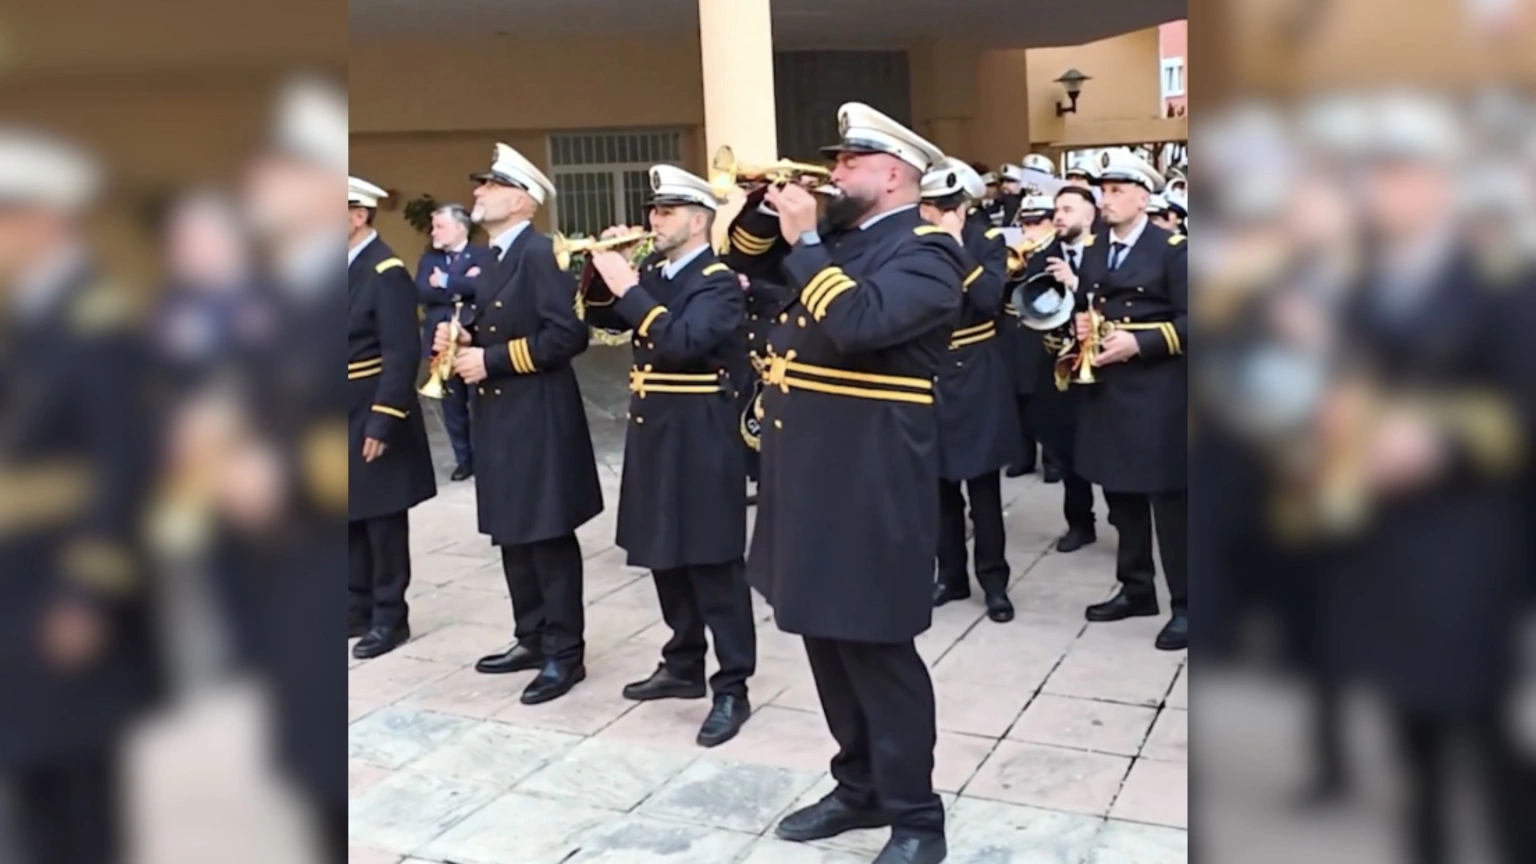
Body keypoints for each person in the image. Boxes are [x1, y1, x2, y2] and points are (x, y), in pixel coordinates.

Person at [750, 101, 963, 864]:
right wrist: (767, 209)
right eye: (834, 162)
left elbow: (858, 325)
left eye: (849, 162)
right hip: (808, 475)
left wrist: (807, 239)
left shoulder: (928, 252)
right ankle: (859, 786)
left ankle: (917, 818)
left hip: (870, 481)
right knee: (825, 638)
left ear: (895, 175)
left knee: (877, 648)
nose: (834, 173)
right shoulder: (837, 241)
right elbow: (748, 261)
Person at [0, 129, 160, 864]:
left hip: (67, 591)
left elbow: (127, 468)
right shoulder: (27, 314)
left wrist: (85, 593)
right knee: (33, 781)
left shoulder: (99, 321)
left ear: (42, 220)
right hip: (21, 584)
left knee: (80, 799)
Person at [585, 166, 757, 748]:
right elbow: (601, 316)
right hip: (654, 428)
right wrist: (604, 269)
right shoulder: (656, 273)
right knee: (664, 551)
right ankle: (683, 662)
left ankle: (732, 685)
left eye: (666, 212)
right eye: (653, 211)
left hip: (703, 432)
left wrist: (629, 288)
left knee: (712, 560)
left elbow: (682, 342)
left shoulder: (718, 281)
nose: (653, 221)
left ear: (699, 220)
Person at [434, 142, 603, 704]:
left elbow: (568, 335)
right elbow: (495, 325)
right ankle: (531, 636)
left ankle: (565, 653)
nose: (478, 192)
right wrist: (462, 339)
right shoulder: (491, 256)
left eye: (491, 185)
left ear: (522, 200)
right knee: (512, 530)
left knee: (546, 535)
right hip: (500, 416)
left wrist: (493, 359)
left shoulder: (539, 253)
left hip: (538, 415)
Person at [1070, 150, 1188, 651]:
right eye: (1103, 191)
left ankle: (1188, 604)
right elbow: (1091, 303)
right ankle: (1136, 588)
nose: (1107, 199)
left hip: (1159, 393)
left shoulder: (1173, 251)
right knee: (1120, 494)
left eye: (1118, 191)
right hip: (1109, 389)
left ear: (1144, 198)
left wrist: (1142, 343)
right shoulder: (1096, 248)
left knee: (1170, 503)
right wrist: (1081, 325)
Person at [922, 157, 1020, 624]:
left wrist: (957, 247)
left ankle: (994, 582)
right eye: (929, 206)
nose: (931, 214)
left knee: (983, 490)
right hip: (931, 368)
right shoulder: (916, 243)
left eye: (943, 206)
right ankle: (950, 575)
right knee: (939, 486)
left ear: (962, 208)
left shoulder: (987, 241)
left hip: (976, 370)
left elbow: (987, 300)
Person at [347, 176, 438, 659]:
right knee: (346, 514)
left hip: (369, 405)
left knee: (381, 519)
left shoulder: (386, 272)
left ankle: (389, 616)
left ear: (358, 215)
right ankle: (355, 606)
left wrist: (383, 419)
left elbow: (402, 352)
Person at [1020, 186, 1101, 552]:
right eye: (1057, 209)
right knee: (1066, 448)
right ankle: (1080, 523)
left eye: (1068, 209)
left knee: (1108, 446)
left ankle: (1125, 518)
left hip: (1102, 364)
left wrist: (1077, 284)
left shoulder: (1105, 252)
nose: (1058, 216)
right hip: (1059, 365)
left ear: (1089, 216)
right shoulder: (1042, 256)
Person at [415, 203, 493, 481]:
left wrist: (446, 280)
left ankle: (485, 458)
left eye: (440, 226)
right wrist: (462, 284)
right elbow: (422, 291)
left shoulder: (483, 255)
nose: (433, 232)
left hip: (473, 338)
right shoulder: (429, 258)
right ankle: (464, 460)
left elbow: (485, 289)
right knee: (451, 405)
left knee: (479, 404)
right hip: (440, 342)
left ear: (460, 228)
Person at [1004, 194, 1055, 479]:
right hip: (1015, 329)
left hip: (1043, 330)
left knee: (1044, 395)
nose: (1029, 229)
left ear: (1051, 222)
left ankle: (1052, 459)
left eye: (1036, 223)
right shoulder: (1017, 251)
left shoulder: (1055, 251)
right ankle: (1022, 456)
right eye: (1026, 223)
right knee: (1017, 396)